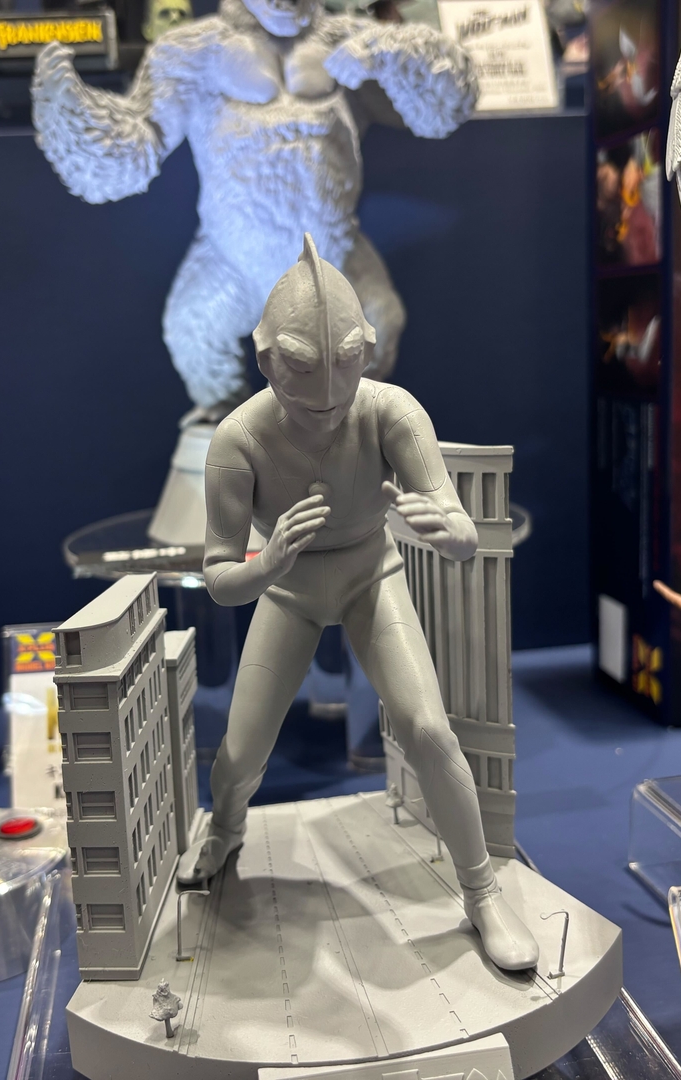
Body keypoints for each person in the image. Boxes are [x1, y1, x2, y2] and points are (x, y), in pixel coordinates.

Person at [176, 235, 540, 973]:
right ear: (266, 360)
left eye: (345, 371)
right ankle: (226, 830)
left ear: (365, 351)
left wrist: (450, 529)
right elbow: (217, 577)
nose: (327, 399)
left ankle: (481, 892)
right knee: (240, 753)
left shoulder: (390, 411)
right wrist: (268, 561)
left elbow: (462, 533)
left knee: (429, 730)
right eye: (303, 379)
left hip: (372, 573)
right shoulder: (237, 441)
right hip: (288, 588)